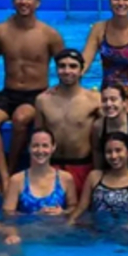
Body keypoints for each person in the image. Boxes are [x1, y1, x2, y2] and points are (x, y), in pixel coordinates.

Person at [0, 0, 65, 193]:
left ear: (37, 3)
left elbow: (66, 65)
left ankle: (12, 169)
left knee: (21, 118)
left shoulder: (49, 34)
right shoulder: (0, 31)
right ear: (14, 1)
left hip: (36, 94)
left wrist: (59, 92)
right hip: (9, 92)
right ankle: (4, 175)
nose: (23, 1)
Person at [35, 48, 101, 196]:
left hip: (82, 167)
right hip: (51, 168)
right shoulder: (43, 100)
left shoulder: (94, 99)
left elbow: (109, 130)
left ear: (81, 70)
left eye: (73, 66)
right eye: (62, 66)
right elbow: (37, 140)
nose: (67, 71)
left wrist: (99, 172)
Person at [70, 132, 128, 225]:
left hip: (125, 231)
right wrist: (69, 223)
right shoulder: (94, 177)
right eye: (109, 152)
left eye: (118, 150)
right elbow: (81, 208)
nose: (113, 156)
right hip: (95, 230)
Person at [3, 129, 78, 215]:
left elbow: (74, 209)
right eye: (35, 146)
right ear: (29, 148)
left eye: (45, 146)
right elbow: (8, 214)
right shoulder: (17, 180)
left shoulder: (66, 178)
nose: (40, 151)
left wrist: (62, 212)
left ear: (53, 147)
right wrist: (35, 215)